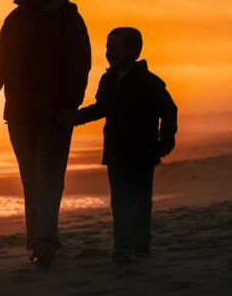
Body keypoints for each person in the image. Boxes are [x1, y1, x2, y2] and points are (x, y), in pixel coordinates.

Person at [0, 0, 91, 268]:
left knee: (48, 177)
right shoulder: (15, 20)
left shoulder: (68, 19)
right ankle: (39, 239)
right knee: (31, 179)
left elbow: (80, 66)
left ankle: (45, 239)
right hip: (20, 114)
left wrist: (69, 104)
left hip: (55, 114)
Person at [75, 27, 178, 263]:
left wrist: (165, 142)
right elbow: (102, 108)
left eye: (114, 47)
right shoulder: (108, 79)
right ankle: (122, 247)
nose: (109, 53)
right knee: (120, 200)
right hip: (116, 151)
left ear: (133, 50)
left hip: (144, 151)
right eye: (107, 48)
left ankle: (141, 244)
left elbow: (169, 110)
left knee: (141, 199)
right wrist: (75, 118)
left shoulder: (150, 82)